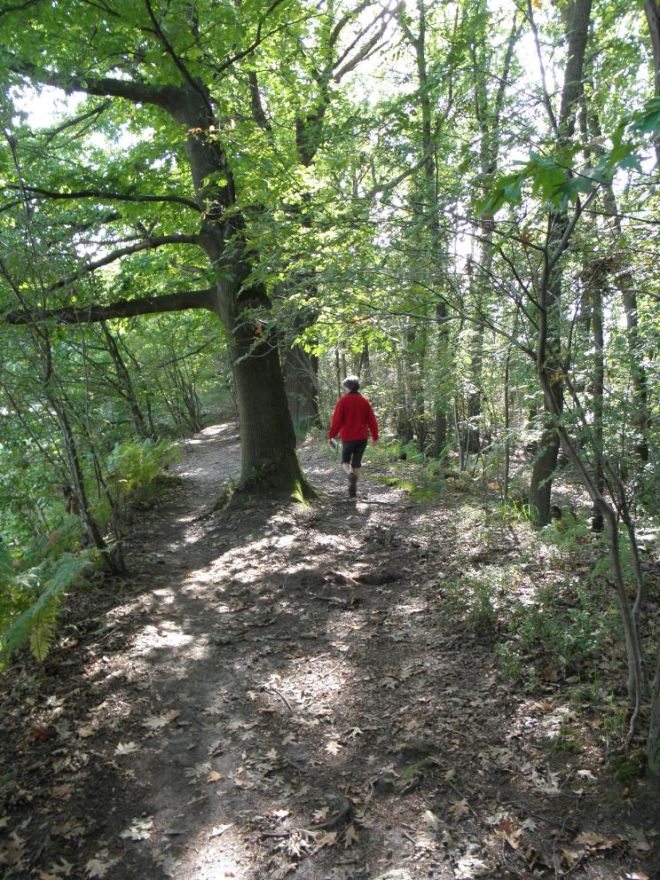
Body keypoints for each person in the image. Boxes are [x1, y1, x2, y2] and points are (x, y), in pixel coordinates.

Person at [328, 376, 379, 498]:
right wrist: (375, 436)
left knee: (345, 461)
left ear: (348, 387)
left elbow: (337, 421)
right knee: (357, 462)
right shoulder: (364, 401)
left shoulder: (343, 401)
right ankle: (354, 489)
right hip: (362, 438)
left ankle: (350, 474)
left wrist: (331, 435)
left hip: (348, 437)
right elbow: (372, 420)